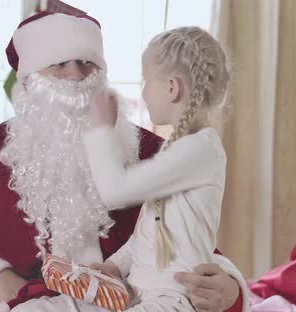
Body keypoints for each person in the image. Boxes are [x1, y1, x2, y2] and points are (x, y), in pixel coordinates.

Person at [0, 12, 245, 312]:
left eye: (88, 64)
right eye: (59, 64)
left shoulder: (155, 150)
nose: (75, 76)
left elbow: (183, 239)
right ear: (30, 80)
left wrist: (228, 288)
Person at [77, 26, 247, 312]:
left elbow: (115, 191)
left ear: (172, 88)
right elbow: (149, 233)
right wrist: (114, 267)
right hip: (138, 294)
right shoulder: (179, 149)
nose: (143, 92)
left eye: (147, 81)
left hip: (171, 301)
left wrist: (102, 129)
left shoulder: (200, 149)